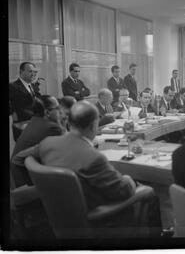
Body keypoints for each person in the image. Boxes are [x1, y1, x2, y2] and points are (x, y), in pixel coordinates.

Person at [12, 101, 168, 237]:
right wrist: (128, 179)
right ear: (94, 125)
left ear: (69, 122)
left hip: (59, 216)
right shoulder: (94, 158)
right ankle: (156, 240)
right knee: (148, 192)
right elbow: (124, 191)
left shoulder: (47, 143)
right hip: (98, 219)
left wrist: (41, 181)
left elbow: (20, 157)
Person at [11, 95, 63, 187]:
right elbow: (69, 148)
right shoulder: (52, 127)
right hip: (27, 184)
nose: (61, 111)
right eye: (58, 108)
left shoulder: (35, 121)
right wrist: (60, 124)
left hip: (17, 179)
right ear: (47, 112)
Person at [9, 62, 41, 141]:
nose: (33, 74)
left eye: (34, 72)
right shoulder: (13, 86)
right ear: (21, 72)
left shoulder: (33, 86)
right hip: (21, 126)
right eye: (30, 71)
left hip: (35, 125)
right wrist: (14, 114)